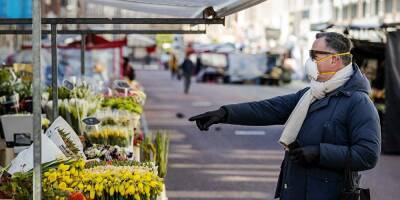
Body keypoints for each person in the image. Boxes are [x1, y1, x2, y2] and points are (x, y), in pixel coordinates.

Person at [189, 32, 381, 200]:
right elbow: (268, 109)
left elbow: (367, 154)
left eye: (314, 55)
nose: (310, 61)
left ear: (335, 59)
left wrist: (320, 153)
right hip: (296, 189)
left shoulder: (357, 102)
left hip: (329, 194)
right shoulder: (311, 93)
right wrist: (225, 113)